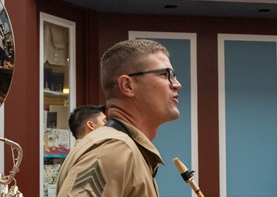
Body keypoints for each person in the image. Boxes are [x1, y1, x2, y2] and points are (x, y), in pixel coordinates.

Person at [56, 39, 182, 196]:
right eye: (164, 74)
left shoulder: (123, 148)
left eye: (174, 75)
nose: (177, 84)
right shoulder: (112, 149)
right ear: (128, 86)